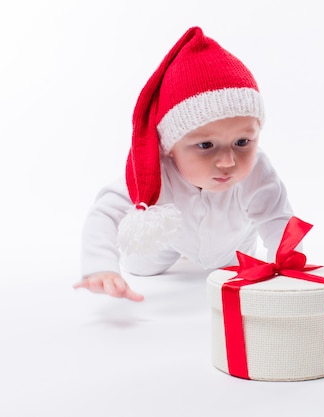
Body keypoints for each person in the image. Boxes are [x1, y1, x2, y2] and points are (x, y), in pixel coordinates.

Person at [73, 27, 296, 302]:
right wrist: (101, 267)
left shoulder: (257, 169)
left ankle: (235, 258)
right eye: (205, 145)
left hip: (234, 243)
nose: (228, 161)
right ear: (171, 148)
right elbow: (105, 212)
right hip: (173, 236)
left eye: (242, 142)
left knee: (236, 268)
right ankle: (159, 253)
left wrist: (287, 268)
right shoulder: (157, 171)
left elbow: (277, 217)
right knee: (141, 266)